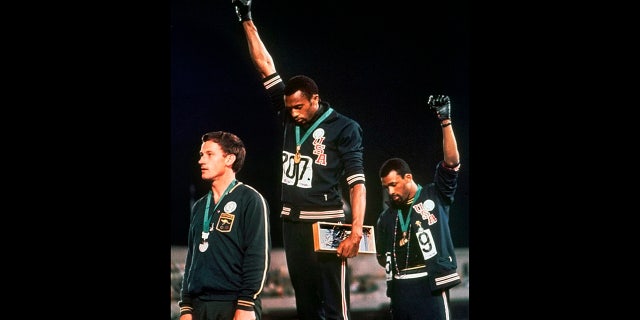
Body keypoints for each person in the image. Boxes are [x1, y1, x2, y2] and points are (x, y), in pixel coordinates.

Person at [231, 1, 367, 319]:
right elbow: (266, 65)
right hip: (292, 223)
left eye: (299, 108)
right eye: (289, 108)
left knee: (335, 309)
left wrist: (356, 231)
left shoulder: (344, 128)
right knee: (305, 307)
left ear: (315, 99)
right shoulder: (289, 113)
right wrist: (246, 18)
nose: (292, 114)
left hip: (328, 222)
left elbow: (357, 182)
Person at [375, 95, 462, 320]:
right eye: (386, 187)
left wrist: (445, 121)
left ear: (408, 177)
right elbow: (380, 255)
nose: (390, 191)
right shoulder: (385, 217)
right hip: (400, 289)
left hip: (430, 284)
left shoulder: (435, 194)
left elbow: (451, 163)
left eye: (394, 184)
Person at [178, 131, 271, 320]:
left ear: (229, 159)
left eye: (209, 154)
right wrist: (186, 306)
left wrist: (246, 304)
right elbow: (191, 259)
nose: (201, 161)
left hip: (234, 303)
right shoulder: (199, 206)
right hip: (198, 306)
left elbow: (258, 256)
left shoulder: (251, 199)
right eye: (201, 155)